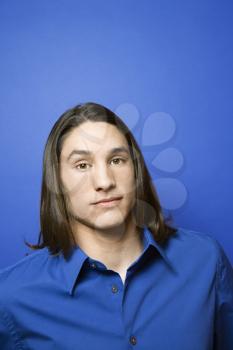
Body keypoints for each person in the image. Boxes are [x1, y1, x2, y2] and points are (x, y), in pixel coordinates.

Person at [0, 102, 232, 350]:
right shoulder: (11, 298)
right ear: (57, 182)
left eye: (117, 160)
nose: (104, 181)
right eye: (82, 165)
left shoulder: (205, 261)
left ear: (136, 170)